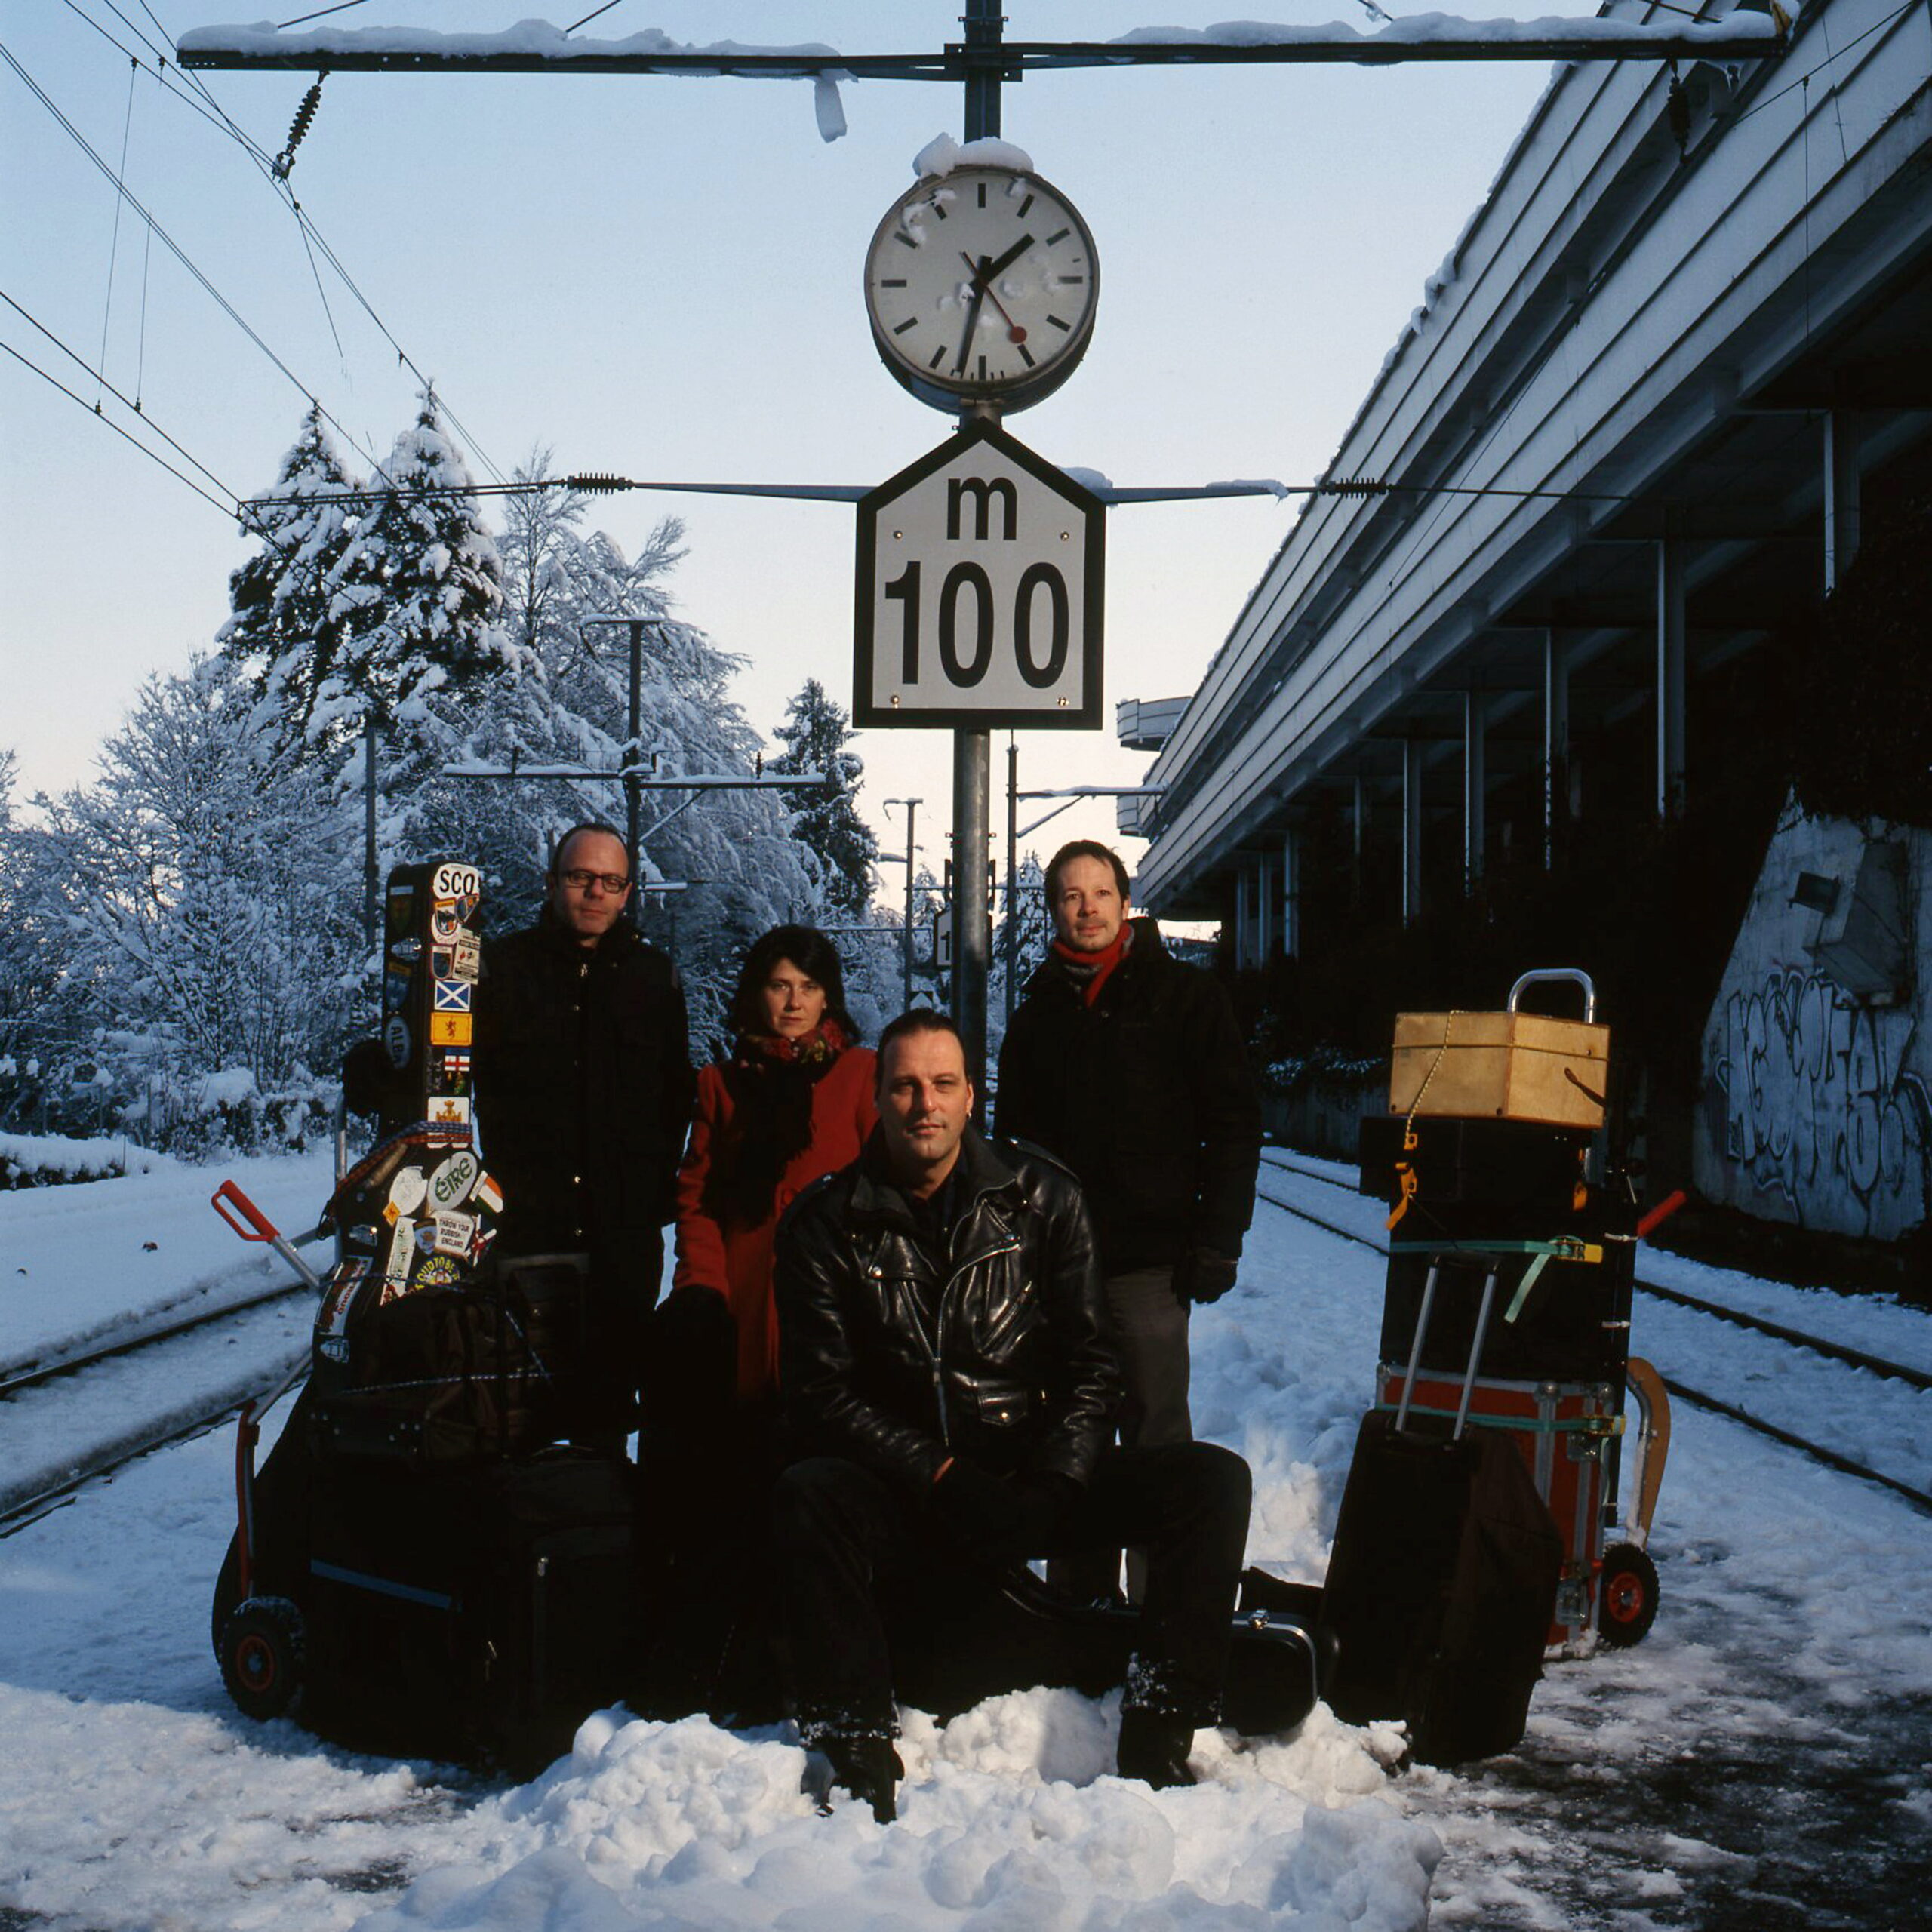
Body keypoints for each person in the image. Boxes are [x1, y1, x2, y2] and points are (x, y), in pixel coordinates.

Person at [773, 1009, 1252, 1822]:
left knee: (1211, 1479)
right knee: (806, 1489)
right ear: (878, 1098)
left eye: (943, 1084)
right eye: (905, 1085)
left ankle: (1161, 1727)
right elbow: (822, 1398)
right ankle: (855, 1741)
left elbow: (1094, 1361)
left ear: (971, 1098)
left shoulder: (1044, 1197)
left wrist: (1059, 1479)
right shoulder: (825, 1224)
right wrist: (941, 1474)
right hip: (912, 1488)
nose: (925, 1103)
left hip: (1032, 1478)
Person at [996, 839, 1263, 1601]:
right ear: (1053, 909)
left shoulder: (1184, 999)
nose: (1086, 909)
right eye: (1069, 896)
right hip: (1052, 1271)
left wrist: (1219, 1238)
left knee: (1155, 1440)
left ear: (1124, 902)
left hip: (1149, 1264)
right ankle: (1077, 1607)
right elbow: (1011, 1147)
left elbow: (1234, 1123)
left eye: (1100, 894)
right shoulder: (1036, 1015)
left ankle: (1159, 1611)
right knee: (1067, 1441)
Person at [473, 822, 694, 1444]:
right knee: (517, 1413)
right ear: (551, 883)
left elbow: (677, 1093)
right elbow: (446, 1067)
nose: (595, 893)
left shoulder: (657, 980)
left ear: (628, 894)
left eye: (611, 881)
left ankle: (598, 1529)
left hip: (620, 1241)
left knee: (605, 1419)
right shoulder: (501, 971)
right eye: (580, 878)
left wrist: (649, 1186)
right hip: (526, 1230)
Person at [670, 924, 878, 1415]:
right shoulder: (721, 1084)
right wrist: (703, 1287)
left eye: (808, 987)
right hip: (746, 1296)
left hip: (837, 1300)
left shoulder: (860, 1073)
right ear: (757, 993)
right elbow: (697, 1200)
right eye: (780, 986)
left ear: (828, 997)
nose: (794, 1003)